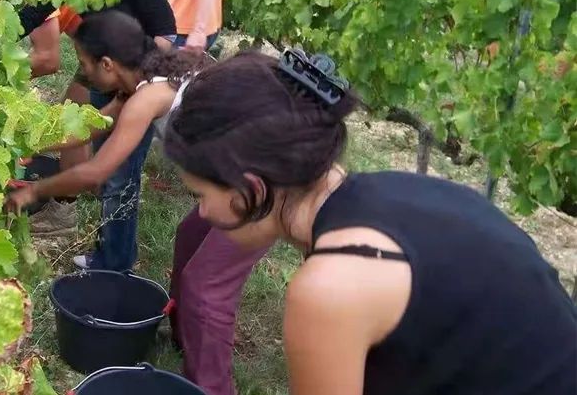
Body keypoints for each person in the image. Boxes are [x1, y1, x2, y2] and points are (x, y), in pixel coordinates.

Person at [163, 49, 577, 395]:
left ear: (251, 187)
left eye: (201, 196)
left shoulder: (330, 287)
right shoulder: (398, 194)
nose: (203, 213)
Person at [17, 0, 176, 263]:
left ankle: (114, 265)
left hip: (138, 86)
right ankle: (108, 252)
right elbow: (28, 16)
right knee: (107, 169)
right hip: (102, 77)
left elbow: (166, 34)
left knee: (119, 174)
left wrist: (134, 87)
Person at [5, 11, 206, 268]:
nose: (85, 74)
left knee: (203, 271)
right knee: (191, 237)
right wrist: (25, 144)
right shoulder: (135, 83)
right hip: (228, 168)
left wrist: (34, 191)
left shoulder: (145, 99)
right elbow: (92, 127)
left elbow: (94, 173)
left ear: (107, 64)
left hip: (244, 172)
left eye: (84, 63)